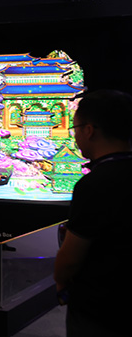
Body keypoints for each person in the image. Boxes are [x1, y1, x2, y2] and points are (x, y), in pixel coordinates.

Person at [54, 89, 132, 337]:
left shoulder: (94, 184)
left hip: (101, 309)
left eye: (75, 129)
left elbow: (70, 259)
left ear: (89, 130)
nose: (75, 136)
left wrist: (60, 280)